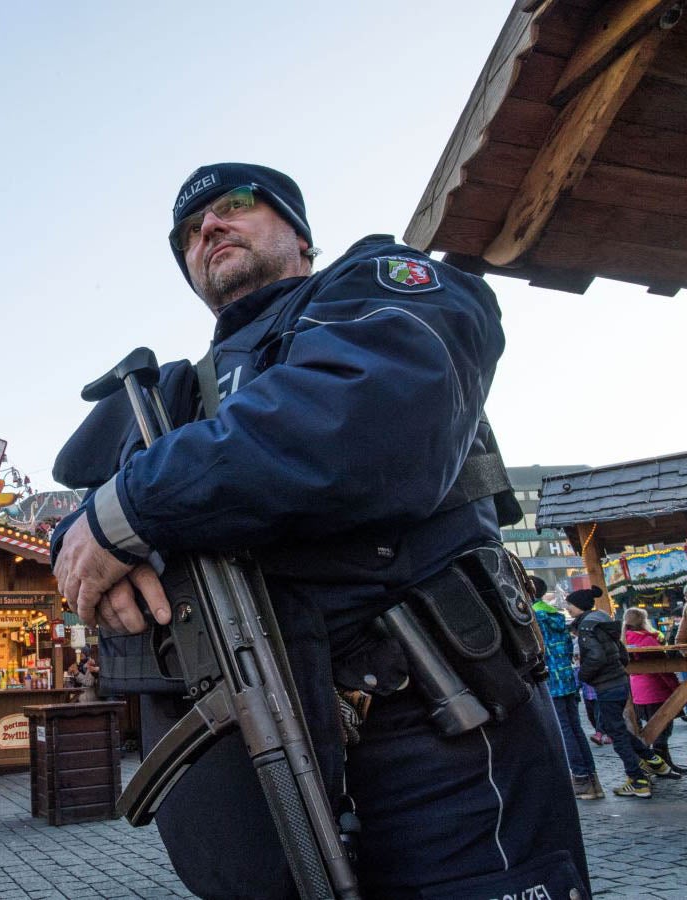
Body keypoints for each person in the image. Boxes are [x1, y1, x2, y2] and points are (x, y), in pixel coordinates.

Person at [52, 163, 589, 897]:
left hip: (447, 737)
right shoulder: (176, 397)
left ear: (299, 233)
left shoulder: (380, 286)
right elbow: (82, 516)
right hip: (275, 753)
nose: (207, 228)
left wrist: (133, 510)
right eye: (187, 233)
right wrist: (94, 551)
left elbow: (367, 416)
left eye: (233, 206)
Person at [567, 586, 672, 798]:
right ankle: (652, 759)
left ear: (578, 606)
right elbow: (622, 653)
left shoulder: (588, 627)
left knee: (616, 734)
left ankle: (638, 780)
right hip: (618, 681)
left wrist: (583, 675)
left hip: (606, 684)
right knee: (611, 726)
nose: (568, 609)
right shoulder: (603, 622)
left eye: (569, 605)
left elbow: (595, 656)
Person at [530, 576, 602, 799]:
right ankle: (592, 780)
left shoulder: (533, 616)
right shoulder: (554, 614)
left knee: (564, 732)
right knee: (575, 729)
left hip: (551, 680)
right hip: (567, 678)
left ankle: (580, 779)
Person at [623, 606, 682, 774]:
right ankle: (660, 764)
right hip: (655, 689)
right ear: (644, 621)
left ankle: (654, 763)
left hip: (638, 691)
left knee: (649, 729)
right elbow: (662, 669)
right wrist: (675, 688)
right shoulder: (648, 640)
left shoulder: (624, 639)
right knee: (662, 730)